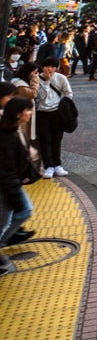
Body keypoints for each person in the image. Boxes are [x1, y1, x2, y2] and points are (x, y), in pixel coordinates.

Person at [0, 97, 36, 266]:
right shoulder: (9, 136)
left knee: (7, 218)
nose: (30, 113)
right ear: (17, 114)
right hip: (8, 185)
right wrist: (13, 191)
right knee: (22, 212)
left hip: (10, 183)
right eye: (27, 110)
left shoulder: (15, 130)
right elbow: (7, 168)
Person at [35, 57, 72, 178]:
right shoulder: (36, 79)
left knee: (57, 139)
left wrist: (64, 106)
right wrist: (46, 82)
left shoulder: (61, 78)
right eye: (46, 66)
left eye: (52, 66)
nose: (49, 69)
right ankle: (48, 166)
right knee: (45, 140)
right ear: (42, 67)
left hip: (56, 113)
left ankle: (57, 165)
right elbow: (40, 97)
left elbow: (68, 93)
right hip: (41, 112)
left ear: (56, 68)